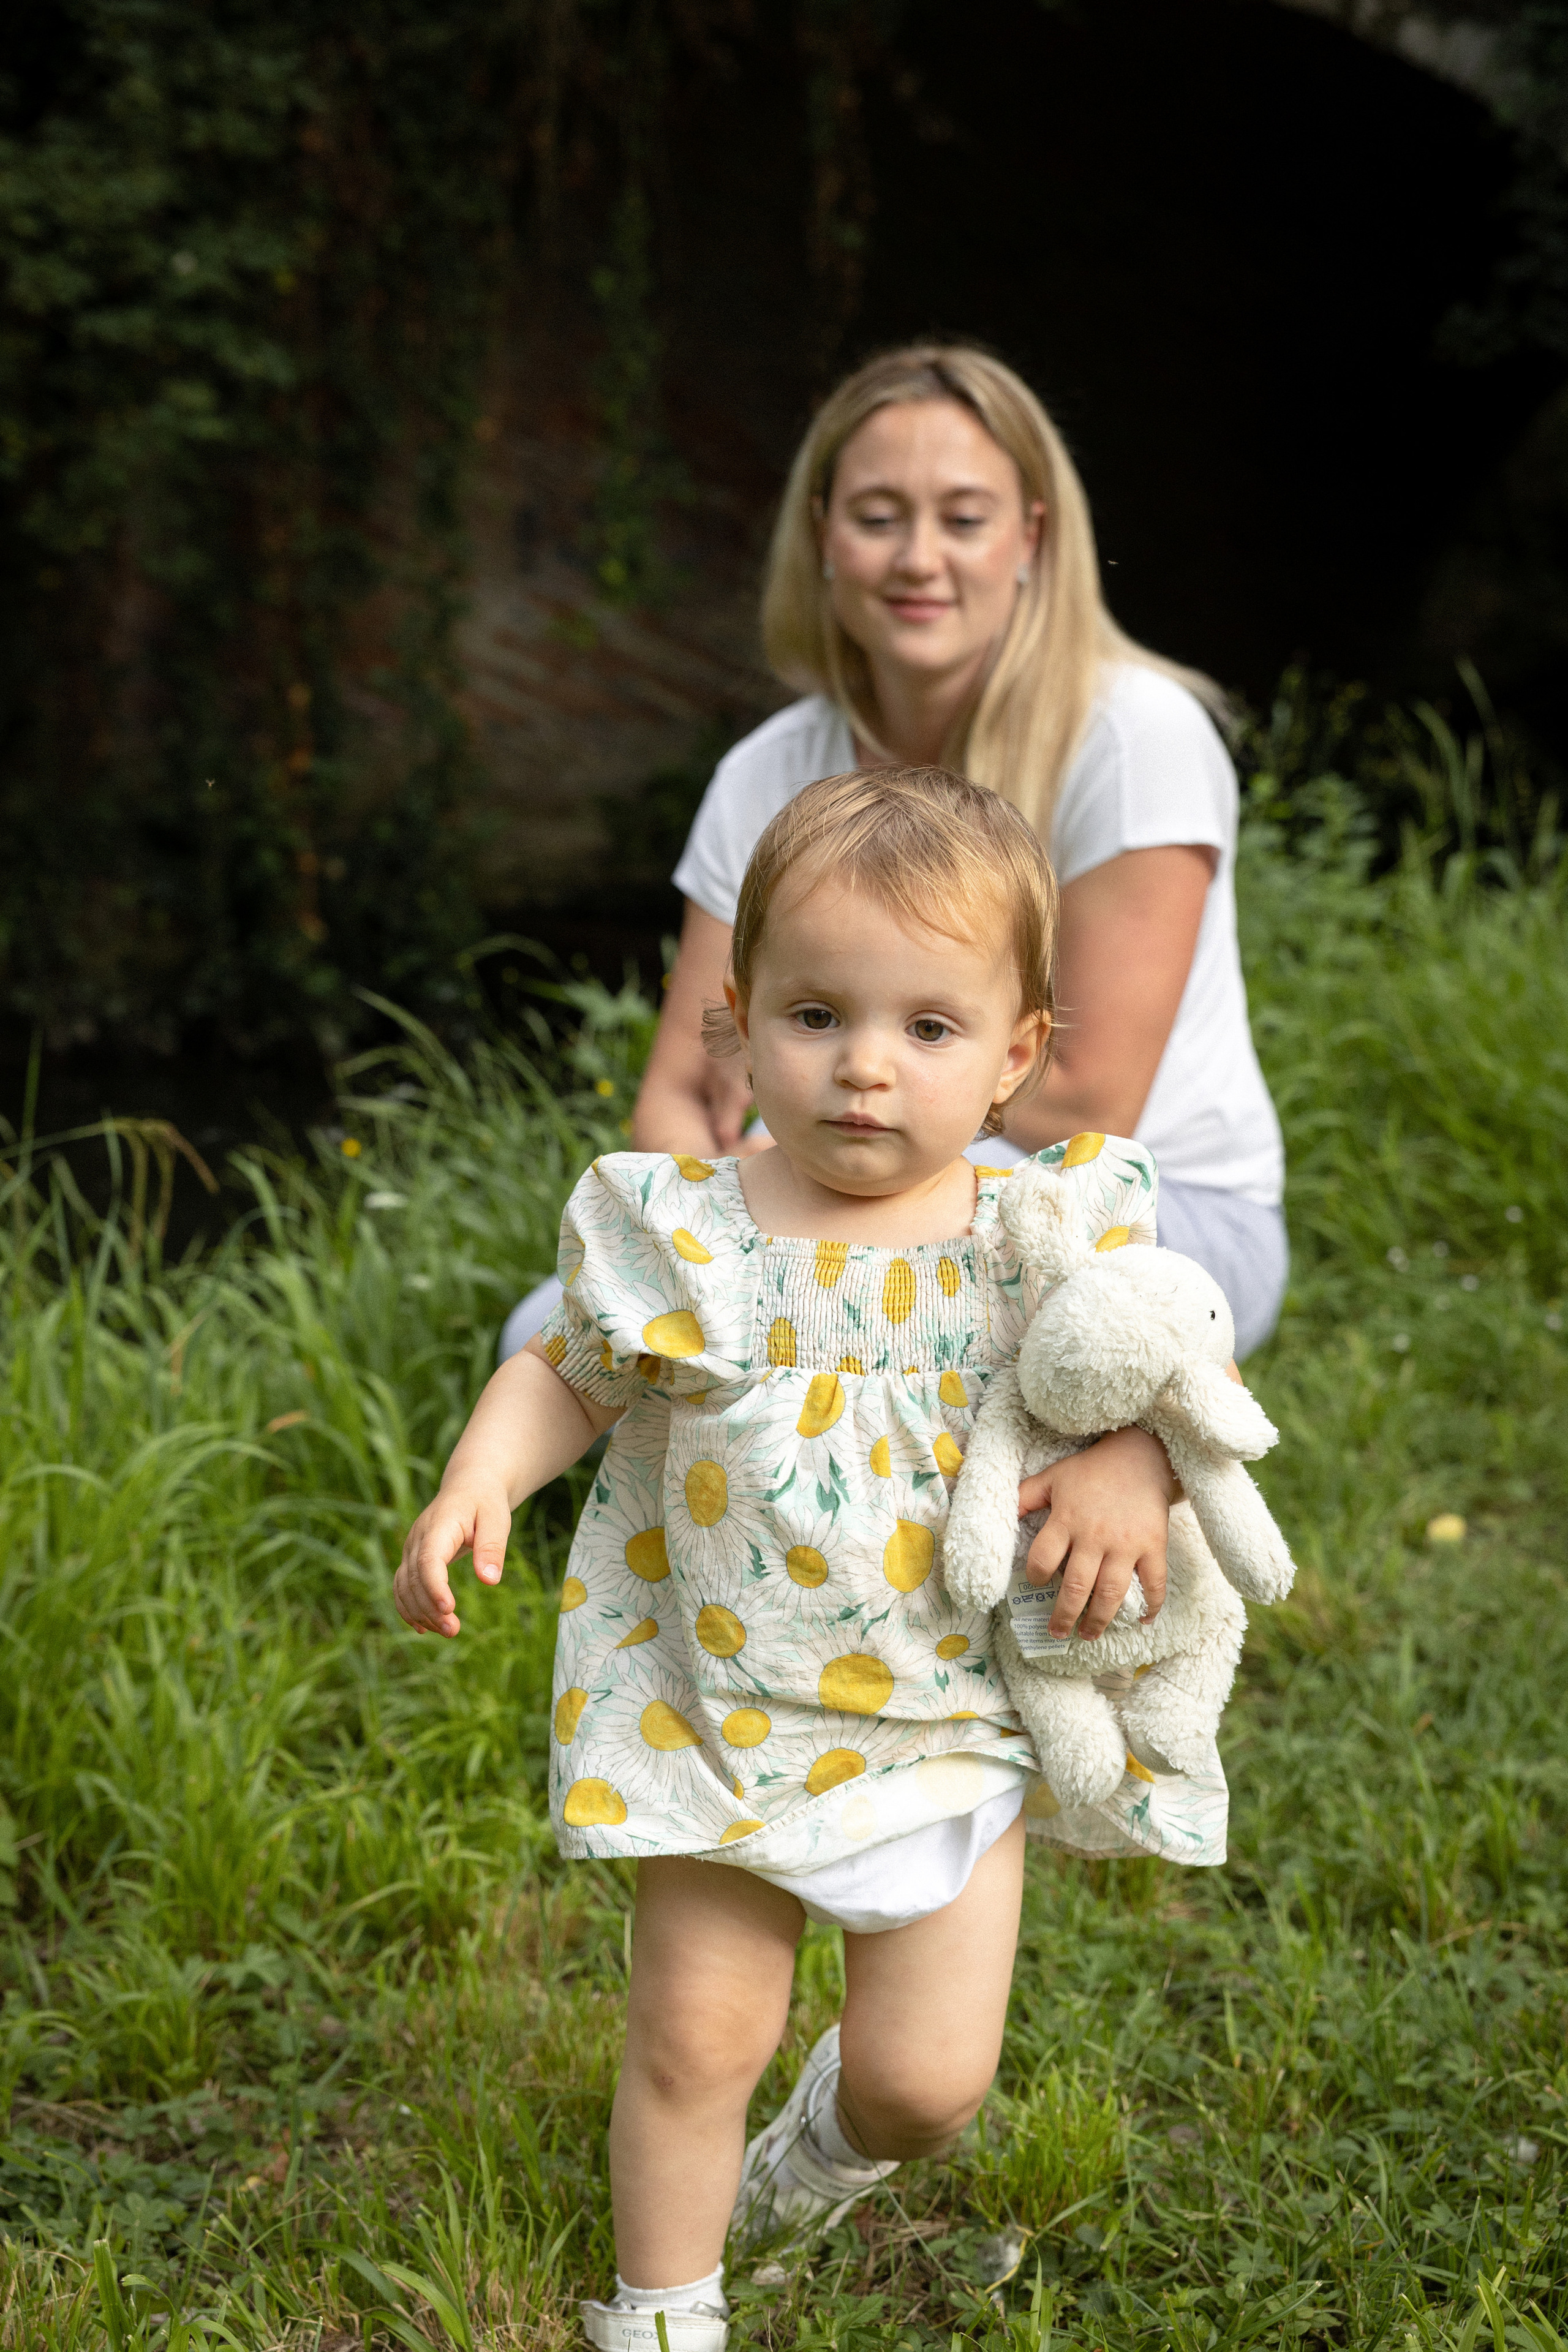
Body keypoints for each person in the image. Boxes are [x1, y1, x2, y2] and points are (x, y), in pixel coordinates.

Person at [402, 772, 1238, 2352]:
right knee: (693, 2039)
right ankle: (662, 2309)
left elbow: (1155, 1363)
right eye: (812, 1014)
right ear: (733, 1028)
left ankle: (823, 2153)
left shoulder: (1041, 1231)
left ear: (1015, 1056)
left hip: (942, 1718)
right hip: (712, 1710)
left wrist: (1129, 1457)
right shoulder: (683, 1231)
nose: (862, 1067)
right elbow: (568, 1372)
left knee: (925, 2082)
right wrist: (479, 1477)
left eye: (927, 1029)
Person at [502, 343, 1285, 1369]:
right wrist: (716, 1231)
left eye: (964, 519)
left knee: (908, 1333)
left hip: (1139, 1206)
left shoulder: (1137, 736)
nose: (921, 559)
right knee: (544, 1335)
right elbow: (689, 1081)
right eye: (878, 518)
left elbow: (1086, 1100)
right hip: (828, 1161)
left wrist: (799, 1152)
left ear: (1030, 540)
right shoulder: (766, 771)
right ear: (824, 534)